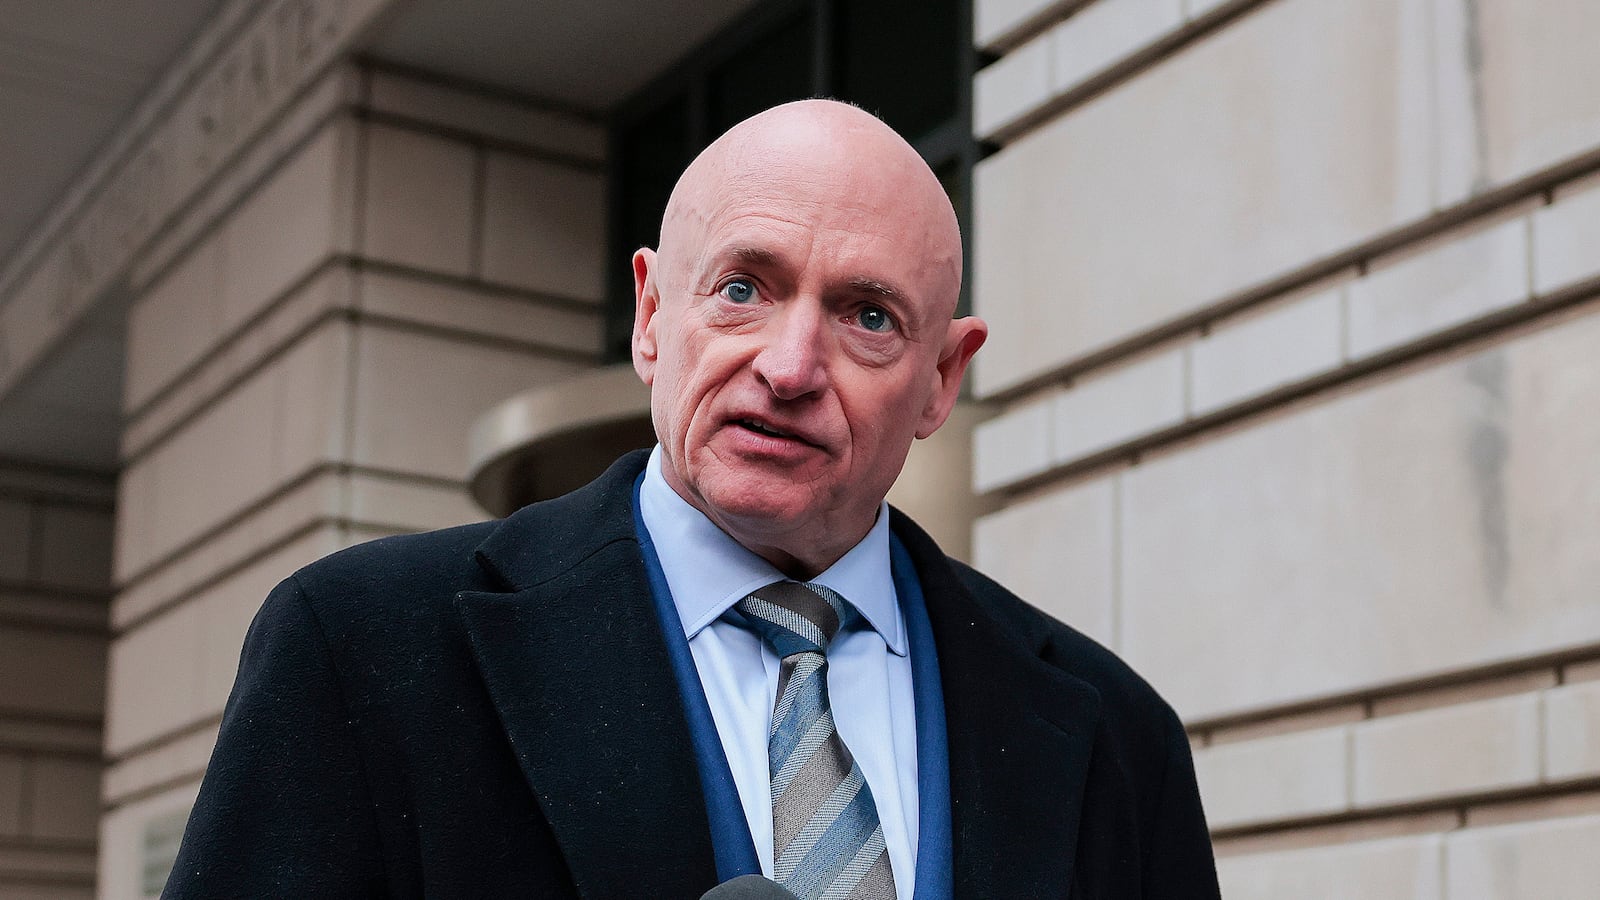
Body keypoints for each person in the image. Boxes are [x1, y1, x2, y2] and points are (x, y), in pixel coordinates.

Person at [164, 100, 1219, 899]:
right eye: (744, 288)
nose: (790, 364)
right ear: (651, 315)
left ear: (942, 378)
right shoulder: (363, 650)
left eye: (866, 315)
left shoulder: (1116, 739)